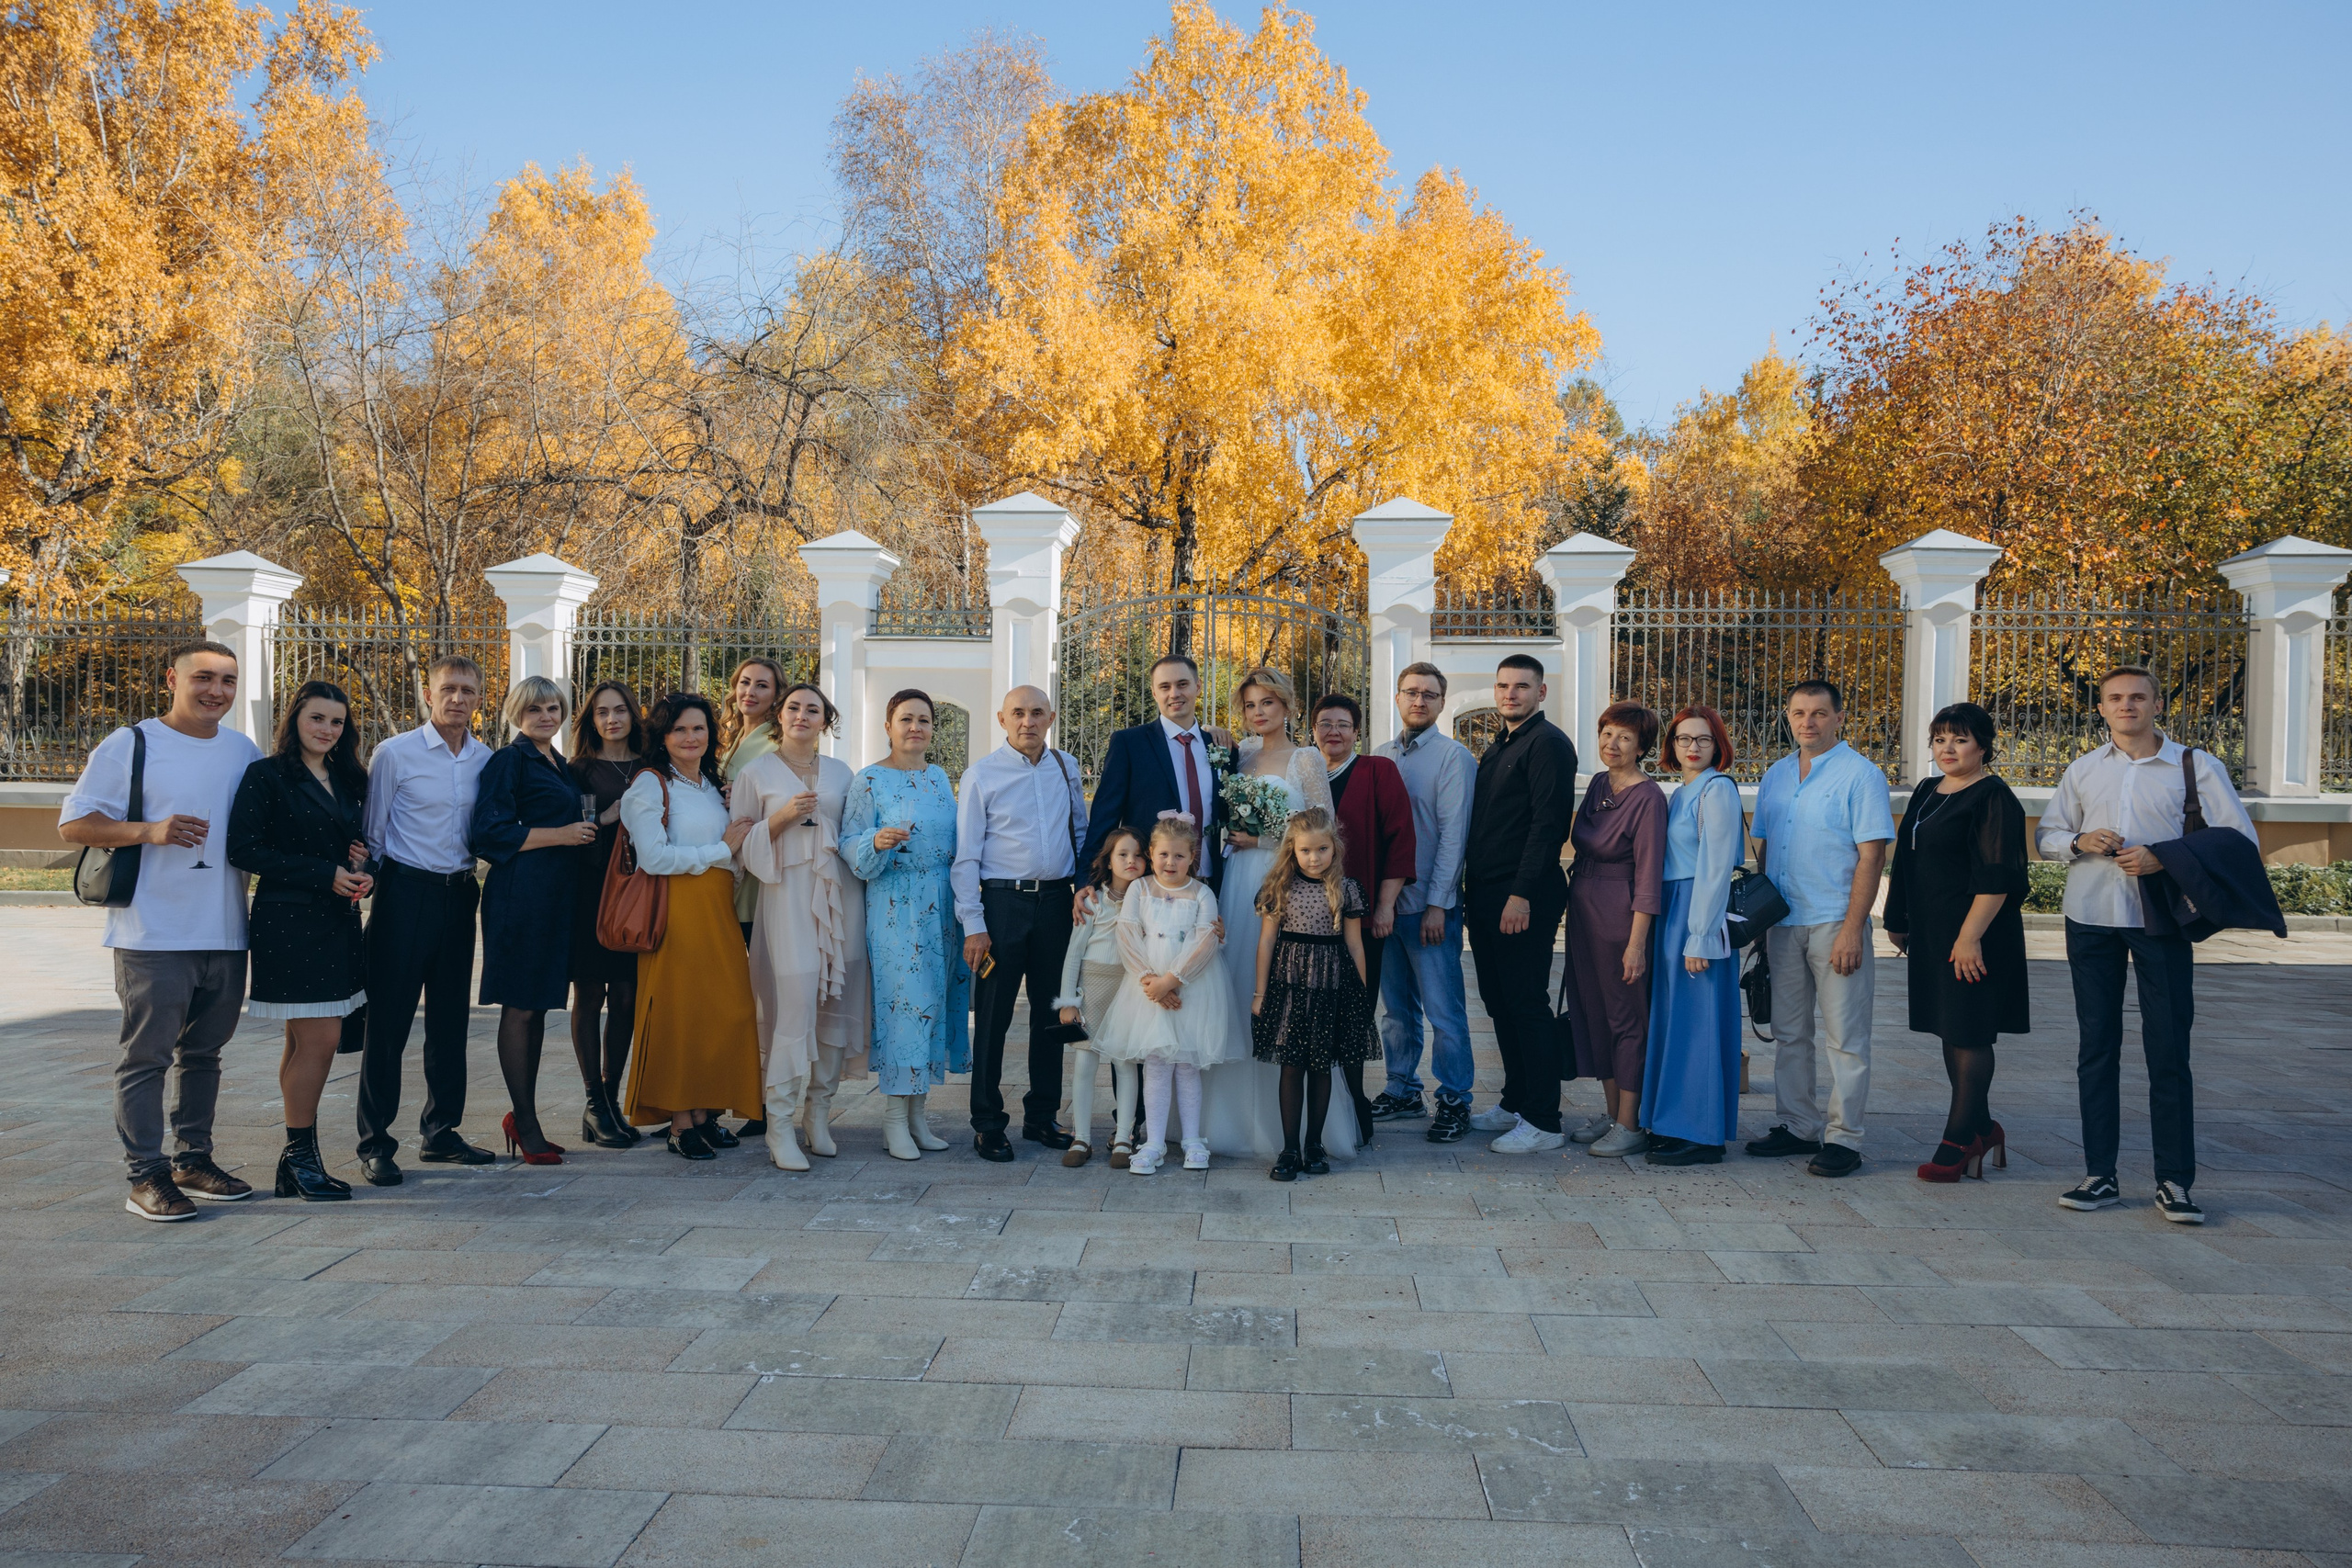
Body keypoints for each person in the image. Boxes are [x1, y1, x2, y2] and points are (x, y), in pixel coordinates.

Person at [2037, 666, 2256, 1224]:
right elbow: (2047, 836)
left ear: (2158, 703)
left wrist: (2166, 856)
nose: (2127, 706)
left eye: (2138, 696)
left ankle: (2175, 1182)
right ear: (2103, 708)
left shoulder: (2196, 766)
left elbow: (2237, 838)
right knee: (2097, 1046)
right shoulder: (2083, 769)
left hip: (2160, 918)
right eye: (2115, 699)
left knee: (2168, 1047)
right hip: (2089, 916)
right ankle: (2099, 1174)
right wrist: (2080, 841)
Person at [62, 640, 263, 1220]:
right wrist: (150, 831)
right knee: (147, 1058)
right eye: (203, 678)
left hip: (226, 930)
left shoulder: (242, 750)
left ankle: (192, 1161)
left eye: (227, 680)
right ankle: (145, 1177)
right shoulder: (132, 742)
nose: (215, 691)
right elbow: (74, 823)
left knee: (205, 1055)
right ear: (170, 681)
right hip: (153, 932)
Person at [226, 680, 374, 1202]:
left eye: (336, 722)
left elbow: (360, 845)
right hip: (288, 922)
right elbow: (244, 849)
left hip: (337, 920)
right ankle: (302, 1159)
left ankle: (295, 1163)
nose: (327, 730)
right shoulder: (265, 775)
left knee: (303, 1039)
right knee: (321, 1039)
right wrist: (324, 873)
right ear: (295, 720)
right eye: (317, 719)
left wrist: (362, 870)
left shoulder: (350, 776)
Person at [1745, 680, 1896, 1179]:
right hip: (1784, 924)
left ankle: (1845, 1138)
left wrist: (1856, 928)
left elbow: (1871, 857)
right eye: (1797, 712)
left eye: (1818, 713)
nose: (1807, 721)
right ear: (1787, 717)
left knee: (1846, 1037)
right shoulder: (1778, 775)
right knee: (1790, 1034)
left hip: (1835, 921)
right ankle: (1796, 1125)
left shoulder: (1861, 775)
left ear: (1838, 717)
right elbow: (1765, 850)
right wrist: (1762, 923)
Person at [355, 655, 496, 1185]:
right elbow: (373, 833)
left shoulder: (486, 759)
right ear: (428, 695)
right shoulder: (395, 754)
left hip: (460, 895)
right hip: (404, 894)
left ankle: (441, 1133)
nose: (457, 698)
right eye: (447, 689)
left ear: (480, 698)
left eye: (467, 689)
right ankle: (375, 1143)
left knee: (449, 1023)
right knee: (388, 1023)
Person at [1886, 702, 2030, 1185]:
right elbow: (1907, 859)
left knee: (1969, 1030)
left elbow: (1998, 876)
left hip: (1976, 935)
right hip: (1933, 931)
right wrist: (1897, 917)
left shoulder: (1994, 798)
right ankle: (1984, 1128)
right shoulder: (1927, 790)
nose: (1948, 748)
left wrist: (1970, 938)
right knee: (1950, 1027)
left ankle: (1958, 1138)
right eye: (1940, 739)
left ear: (1984, 746)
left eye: (1960, 739)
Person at [732, 681, 869, 1170]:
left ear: (824, 721)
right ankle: (779, 1126)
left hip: (839, 898)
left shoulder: (841, 773)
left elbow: (855, 833)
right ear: (780, 716)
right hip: (786, 897)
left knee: (836, 999)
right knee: (795, 1001)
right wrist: (782, 818)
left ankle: (819, 1114)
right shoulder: (756, 772)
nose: (802, 716)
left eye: (813, 710)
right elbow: (737, 844)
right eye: (794, 707)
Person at [619, 693, 763, 1159]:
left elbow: (733, 851)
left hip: (717, 909)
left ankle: (705, 1112)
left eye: (698, 728)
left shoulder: (709, 785)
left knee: (725, 1011)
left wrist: (730, 855)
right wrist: (721, 850)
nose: (690, 737)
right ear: (663, 736)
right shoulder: (649, 784)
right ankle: (681, 1124)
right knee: (679, 1017)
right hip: (676, 910)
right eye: (680, 729)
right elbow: (654, 858)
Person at [1208, 667, 1339, 1157]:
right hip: (1238, 880)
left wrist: (1265, 839)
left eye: (1267, 702)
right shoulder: (1237, 756)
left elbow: (1323, 826)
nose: (1258, 712)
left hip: (1284, 880)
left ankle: (1286, 1127)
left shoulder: (1306, 759)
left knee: (1283, 994)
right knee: (1238, 982)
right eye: (1249, 705)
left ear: (1286, 705)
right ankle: (1228, 1117)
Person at [954, 684, 1088, 1162]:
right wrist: (974, 923)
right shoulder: (981, 776)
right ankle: (988, 1122)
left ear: (1050, 717)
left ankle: (1041, 1116)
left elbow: (1080, 832)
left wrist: (1084, 889)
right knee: (993, 1016)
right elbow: (966, 856)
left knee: (1053, 1013)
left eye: (1036, 713)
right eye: (1018, 714)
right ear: (1001, 719)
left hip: (1056, 905)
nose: (1027, 722)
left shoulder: (1066, 767)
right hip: (1001, 907)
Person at [469, 677, 597, 1165]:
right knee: (521, 1008)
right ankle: (524, 1121)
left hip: (555, 900)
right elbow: (489, 832)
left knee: (539, 1007)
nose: (545, 716)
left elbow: (578, 827)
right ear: (515, 712)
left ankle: (524, 1116)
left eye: (552, 708)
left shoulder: (559, 764)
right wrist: (561, 834)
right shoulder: (509, 760)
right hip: (519, 898)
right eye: (534, 708)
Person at [843, 689, 969, 1162]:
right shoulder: (869, 780)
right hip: (896, 905)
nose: (915, 727)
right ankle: (893, 1119)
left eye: (924, 720)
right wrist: (875, 840)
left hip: (943, 903)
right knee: (903, 1007)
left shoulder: (939, 778)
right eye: (905, 719)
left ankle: (918, 1115)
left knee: (934, 1004)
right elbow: (847, 841)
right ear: (888, 725)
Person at [1463, 654, 1578, 1153]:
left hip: (1521, 895)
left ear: (1541, 693)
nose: (1511, 694)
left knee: (1527, 1004)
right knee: (1499, 1001)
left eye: (1522, 686)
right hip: (1486, 893)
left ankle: (1544, 1120)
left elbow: (1547, 828)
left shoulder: (1549, 745)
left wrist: (1521, 895)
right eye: (1504, 685)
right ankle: (1515, 1100)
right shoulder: (1501, 744)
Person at [1370, 663, 1476, 1144]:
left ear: (1441, 702)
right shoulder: (1380, 756)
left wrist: (1439, 903)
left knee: (1444, 1011)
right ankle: (1402, 1087)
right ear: (1397, 698)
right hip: (1388, 906)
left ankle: (1454, 1099)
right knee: (1396, 1010)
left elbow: (1454, 835)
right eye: (1411, 692)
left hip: (1431, 907)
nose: (1419, 701)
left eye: (1429, 695)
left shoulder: (1454, 758)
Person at [1559, 702, 1667, 1159]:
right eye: (1607, 734)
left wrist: (1637, 944)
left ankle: (1632, 1122)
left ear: (1642, 745)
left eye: (1624, 737)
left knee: (1626, 1017)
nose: (1612, 744)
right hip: (1584, 908)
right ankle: (1611, 1112)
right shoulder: (1600, 784)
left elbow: (1648, 876)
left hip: (1621, 914)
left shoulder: (1648, 798)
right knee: (1593, 1013)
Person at [1102, 818, 1238, 1175]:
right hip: (1146, 991)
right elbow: (1128, 934)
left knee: (1188, 1066)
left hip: (1192, 988)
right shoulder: (1140, 889)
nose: (1170, 863)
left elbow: (1206, 940)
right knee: (1158, 1065)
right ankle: (1154, 1141)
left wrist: (1173, 980)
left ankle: (1194, 1140)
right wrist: (1151, 981)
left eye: (1179, 856)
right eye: (1163, 854)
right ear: (1151, 854)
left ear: (1192, 857)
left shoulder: (1201, 893)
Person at [1639, 707, 1746, 1166]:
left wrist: (1700, 936)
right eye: (1684, 739)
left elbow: (1715, 867)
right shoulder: (1681, 793)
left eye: (1703, 739)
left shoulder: (1717, 790)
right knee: (1676, 1019)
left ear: (1718, 744)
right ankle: (1671, 1120)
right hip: (1673, 910)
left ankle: (1702, 1134)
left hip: (1696, 911)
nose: (1693, 747)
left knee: (1699, 1021)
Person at [1250, 807, 1376, 1182]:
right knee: (1292, 1067)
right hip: (1289, 989)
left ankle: (1315, 1144)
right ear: (1292, 849)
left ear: (1334, 847)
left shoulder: (1347, 888)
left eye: (1322, 849)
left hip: (1331, 989)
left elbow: (1355, 946)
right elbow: (1266, 942)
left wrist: (1361, 997)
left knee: (1321, 1067)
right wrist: (1260, 993)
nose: (1314, 858)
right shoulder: (1279, 886)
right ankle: (1289, 1148)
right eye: (1306, 850)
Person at [1310, 693, 1414, 1143]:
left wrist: (1386, 904)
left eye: (1343, 724)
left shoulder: (1377, 771)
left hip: (1362, 917)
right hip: (1308, 921)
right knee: (1312, 1015)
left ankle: (1354, 1108)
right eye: (1325, 723)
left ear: (1357, 732)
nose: (1333, 731)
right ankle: (1318, 1111)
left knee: (1354, 1012)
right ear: (1313, 730)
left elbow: (1401, 840)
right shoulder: (1303, 773)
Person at [567, 681, 645, 1148]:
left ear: (633, 715)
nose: (612, 719)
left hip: (639, 894)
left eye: (619, 710)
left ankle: (611, 1101)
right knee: (590, 995)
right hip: (591, 892)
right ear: (591, 720)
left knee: (628, 998)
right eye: (601, 712)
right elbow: (573, 830)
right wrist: (606, 818)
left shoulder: (652, 767)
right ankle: (594, 1102)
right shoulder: (577, 770)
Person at [1078, 653, 1228, 892]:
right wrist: (1087, 880)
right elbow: (1103, 819)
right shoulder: (1129, 743)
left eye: (1182, 684)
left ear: (1197, 686)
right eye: (1165, 687)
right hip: (1147, 885)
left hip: (1210, 883)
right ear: (1154, 692)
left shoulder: (1220, 746)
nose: (1174, 694)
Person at [1055, 827, 1148, 1167]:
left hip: (1126, 990)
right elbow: (1073, 954)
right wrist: (1068, 1001)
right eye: (1122, 854)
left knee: (1125, 1064)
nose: (1131, 861)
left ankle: (1124, 1136)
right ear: (1108, 861)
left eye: (1138, 854)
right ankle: (1081, 1138)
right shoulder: (1093, 900)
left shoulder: (1148, 899)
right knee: (1085, 1064)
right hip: (1092, 988)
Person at [719, 656, 786, 943]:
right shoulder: (731, 737)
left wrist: (747, 794)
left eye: (761, 686)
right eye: (745, 683)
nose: (750, 692)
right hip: (727, 849)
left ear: (775, 696)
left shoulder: (778, 741)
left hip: (757, 855)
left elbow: (786, 793)